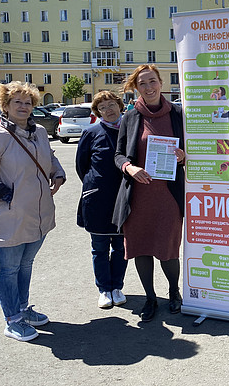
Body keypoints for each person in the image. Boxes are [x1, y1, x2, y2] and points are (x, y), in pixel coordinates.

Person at [0, 81, 65, 342]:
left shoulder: (39, 133)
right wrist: (5, 193)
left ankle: (23, 308)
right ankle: (12, 320)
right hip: (9, 216)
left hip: (39, 215)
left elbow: (50, 157)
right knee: (8, 270)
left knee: (25, 265)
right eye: (17, 102)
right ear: (5, 105)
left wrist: (58, 173)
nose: (23, 107)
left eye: (28, 102)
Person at [113, 64, 186, 322]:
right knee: (141, 248)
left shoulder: (178, 113)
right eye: (142, 83)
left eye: (152, 81)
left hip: (168, 196)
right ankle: (150, 298)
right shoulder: (131, 116)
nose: (148, 87)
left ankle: (174, 292)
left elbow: (193, 148)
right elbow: (118, 154)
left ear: (161, 82)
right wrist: (129, 167)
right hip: (138, 197)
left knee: (169, 249)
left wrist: (184, 156)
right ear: (136, 88)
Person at [76, 91, 128, 309]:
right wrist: (95, 184)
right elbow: (82, 166)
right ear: (98, 112)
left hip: (123, 197)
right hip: (98, 199)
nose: (108, 110)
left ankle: (117, 287)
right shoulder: (91, 132)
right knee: (99, 248)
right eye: (102, 107)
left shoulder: (130, 130)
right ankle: (104, 289)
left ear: (120, 105)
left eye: (111, 104)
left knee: (121, 247)